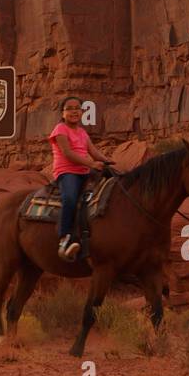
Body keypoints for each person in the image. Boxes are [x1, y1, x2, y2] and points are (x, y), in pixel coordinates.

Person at [48, 96, 113, 262]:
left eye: (77, 108)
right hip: (67, 172)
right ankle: (64, 237)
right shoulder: (60, 129)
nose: (74, 111)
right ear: (63, 113)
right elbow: (68, 153)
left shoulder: (82, 132)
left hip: (85, 171)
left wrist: (107, 162)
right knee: (69, 198)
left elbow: (93, 151)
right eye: (69, 108)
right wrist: (92, 164)